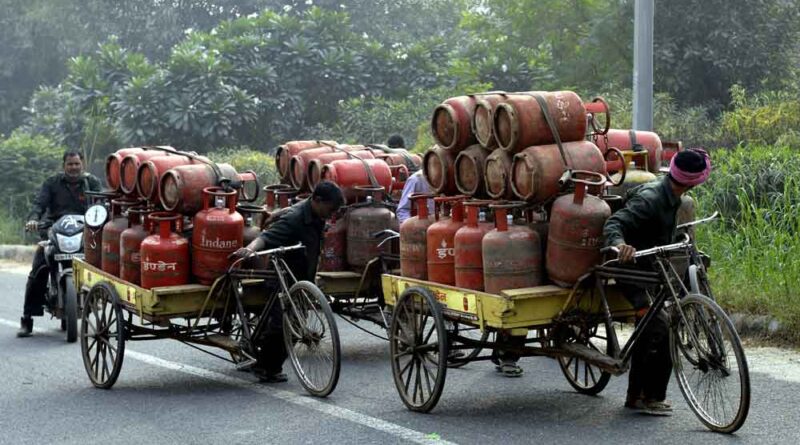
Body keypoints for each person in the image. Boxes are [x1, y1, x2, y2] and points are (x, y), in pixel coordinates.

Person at [603, 148, 711, 416]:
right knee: (658, 326)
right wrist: (620, 245)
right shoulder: (651, 199)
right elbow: (614, 223)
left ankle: (640, 395)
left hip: (650, 266)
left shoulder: (674, 197)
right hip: (629, 268)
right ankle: (647, 397)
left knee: (655, 324)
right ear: (693, 180)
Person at [230, 181, 344, 383]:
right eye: (331, 208)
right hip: (281, 276)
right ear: (317, 201)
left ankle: (263, 356)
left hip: (302, 277)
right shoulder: (295, 219)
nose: (332, 213)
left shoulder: (315, 213)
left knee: (294, 322)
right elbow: (266, 237)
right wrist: (250, 249)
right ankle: (265, 367)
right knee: (282, 324)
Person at [17, 150, 102, 337]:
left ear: (83, 164)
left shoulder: (92, 182)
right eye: (70, 164)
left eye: (76, 164)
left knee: (102, 263)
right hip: (53, 228)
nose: (73, 167)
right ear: (63, 165)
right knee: (39, 267)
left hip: (84, 231)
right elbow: (39, 205)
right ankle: (27, 318)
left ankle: (100, 302)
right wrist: (33, 219)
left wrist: (106, 216)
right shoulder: (52, 183)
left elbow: (101, 204)